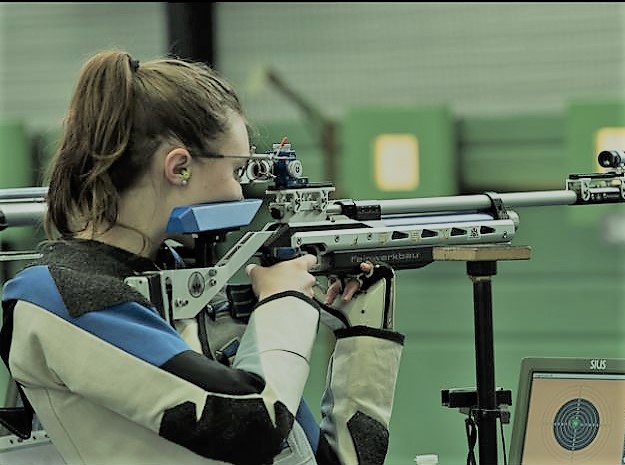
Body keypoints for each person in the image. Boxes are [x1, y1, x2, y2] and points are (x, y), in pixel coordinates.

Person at [0, 49, 404, 465]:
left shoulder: (180, 288)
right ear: (179, 168)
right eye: (238, 171)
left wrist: (363, 333)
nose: (238, 192)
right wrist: (285, 304)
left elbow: (323, 459)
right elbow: (256, 423)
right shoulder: (62, 297)